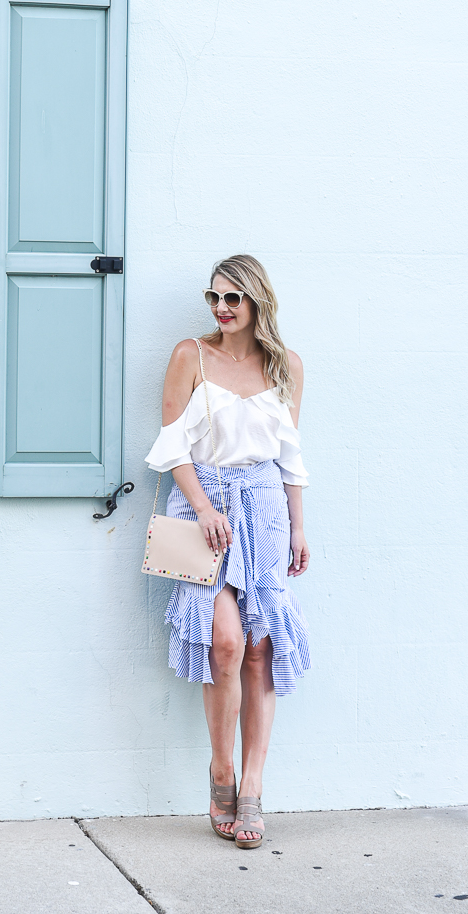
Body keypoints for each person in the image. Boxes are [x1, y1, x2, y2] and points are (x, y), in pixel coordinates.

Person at [146, 254, 311, 849]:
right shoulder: (191, 354)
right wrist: (207, 508)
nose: (221, 308)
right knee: (224, 645)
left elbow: (290, 456)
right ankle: (221, 773)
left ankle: (253, 790)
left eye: (233, 298)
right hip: (203, 509)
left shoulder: (286, 365)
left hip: (265, 510)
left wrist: (297, 527)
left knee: (261, 651)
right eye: (214, 296)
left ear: (257, 301)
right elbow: (170, 445)